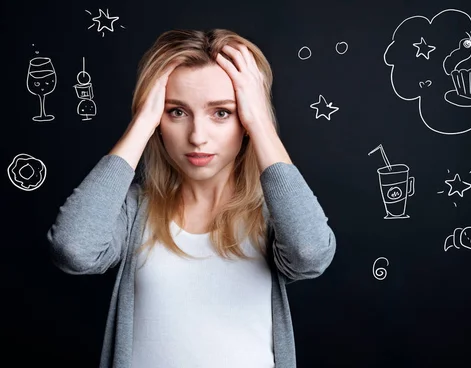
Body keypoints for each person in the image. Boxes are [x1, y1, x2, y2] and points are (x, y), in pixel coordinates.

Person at [47, 28, 336, 368]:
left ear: (245, 120)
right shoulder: (135, 209)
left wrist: (260, 121)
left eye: (222, 112)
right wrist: (141, 123)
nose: (197, 136)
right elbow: (73, 250)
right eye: (177, 112)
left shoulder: (273, 215)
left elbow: (310, 253)